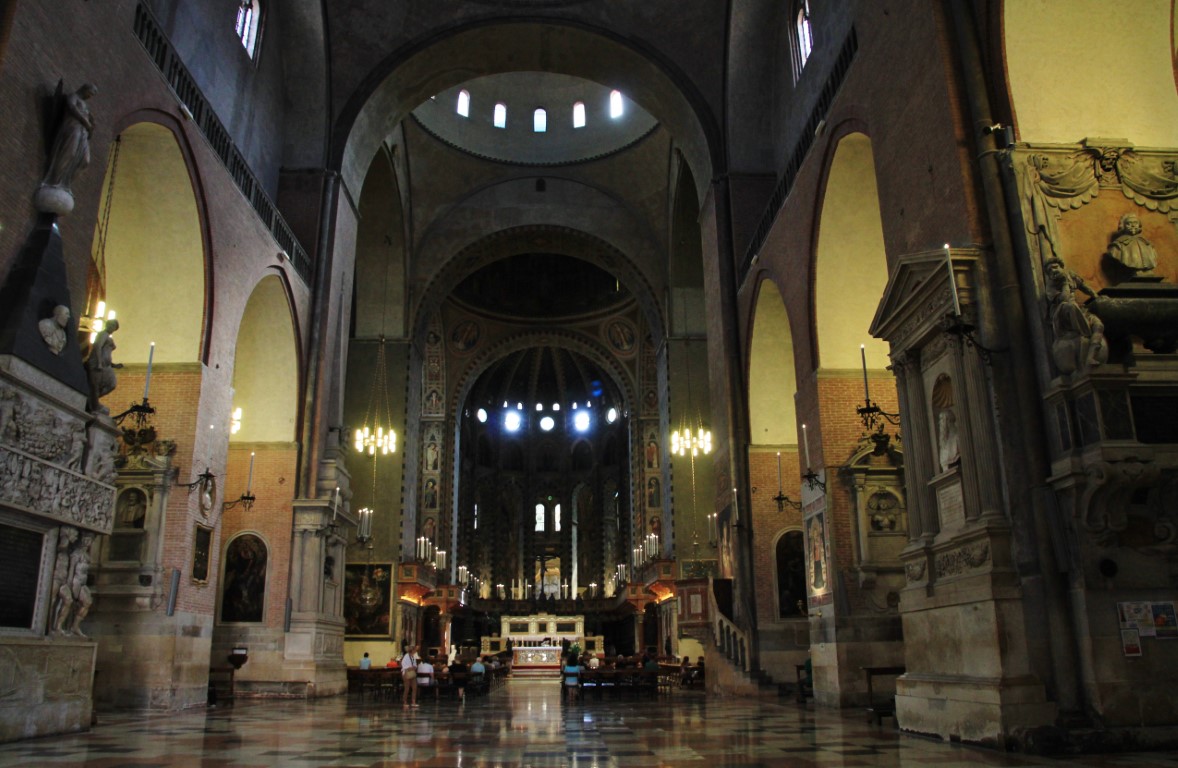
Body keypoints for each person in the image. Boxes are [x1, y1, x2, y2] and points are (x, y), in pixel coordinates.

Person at [40, 83, 98, 194]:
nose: (89, 97)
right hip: (73, 128)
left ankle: (65, 184)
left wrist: (91, 125)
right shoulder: (73, 96)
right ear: (84, 89)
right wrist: (85, 121)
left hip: (83, 133)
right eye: (89, 93)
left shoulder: (86, 106)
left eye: (92, 95)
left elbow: (90, 124)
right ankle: (54, 181)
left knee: (85, 160)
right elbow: (72, 107)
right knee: (69, 153)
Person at [85, 318, 121, 409]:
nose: (112, 328)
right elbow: (98, 346)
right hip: (97, 363)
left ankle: (91, 400)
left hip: (106, 365)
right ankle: (93, 404)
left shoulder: (108, 337)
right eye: (111, 325)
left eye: (114, 327)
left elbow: (106, 353)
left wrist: (113, 365)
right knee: (95, 385)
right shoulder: (103, 334)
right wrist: (99, 362)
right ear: (107, 324)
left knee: (112, 384)